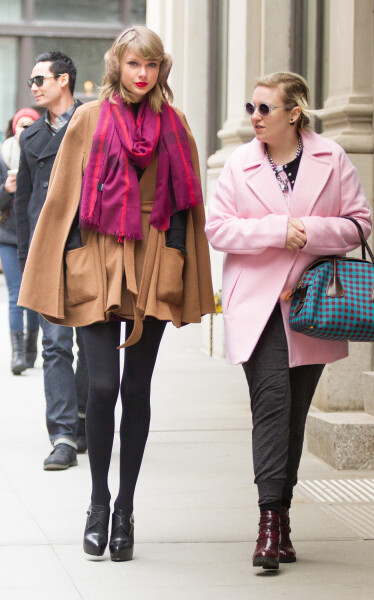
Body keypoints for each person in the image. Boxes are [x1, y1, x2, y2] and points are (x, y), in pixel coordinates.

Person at [19, 26, 215, 562]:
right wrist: (71, 258)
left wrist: (174, 257)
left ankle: (126, 507)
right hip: (98, 261)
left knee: (138, 390)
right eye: (134, 64)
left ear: (160, 70)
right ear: (118, 66)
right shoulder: (88, 119)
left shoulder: (174, 124)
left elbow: (182, 203)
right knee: (102, 385)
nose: (142, 74)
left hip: (152, 260)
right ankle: (98, 500)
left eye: (151, 66)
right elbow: (63, 198)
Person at [205, 72, 372, 570]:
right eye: (250, 107)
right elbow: (219, 228)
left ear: (293, 113)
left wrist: (309, 231)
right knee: (272, 407)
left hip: (313, 304)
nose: (254, 117)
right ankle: (268, 523)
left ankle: (283, 518)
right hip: (258, 305)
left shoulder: (331, 157)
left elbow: (358, 223)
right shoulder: (239, 162)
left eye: (264, 109)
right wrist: (280, 231)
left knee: (294, 417)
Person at [14, 52, 88, 469]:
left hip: (88, 250)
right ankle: (61, 435)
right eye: (31, 81)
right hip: (47, 254)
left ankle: (82, 422)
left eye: (40, 79)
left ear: (64, 80)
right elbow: (25, 205)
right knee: (55, 345)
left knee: (93, 348)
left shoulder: (94, 124)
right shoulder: (30, 138)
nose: (34, 87)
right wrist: (27, 262)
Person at [0, 108, 40, 374]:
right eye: (20, 125)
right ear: (13, 127)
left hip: (35, 235)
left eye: (30, 125)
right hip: (8, 235)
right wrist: (6, 189)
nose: (24, 129)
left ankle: (30, 348)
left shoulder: (42, 154)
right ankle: (17, 354)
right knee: (15, 294)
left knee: (35, 296)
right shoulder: (3, 156)